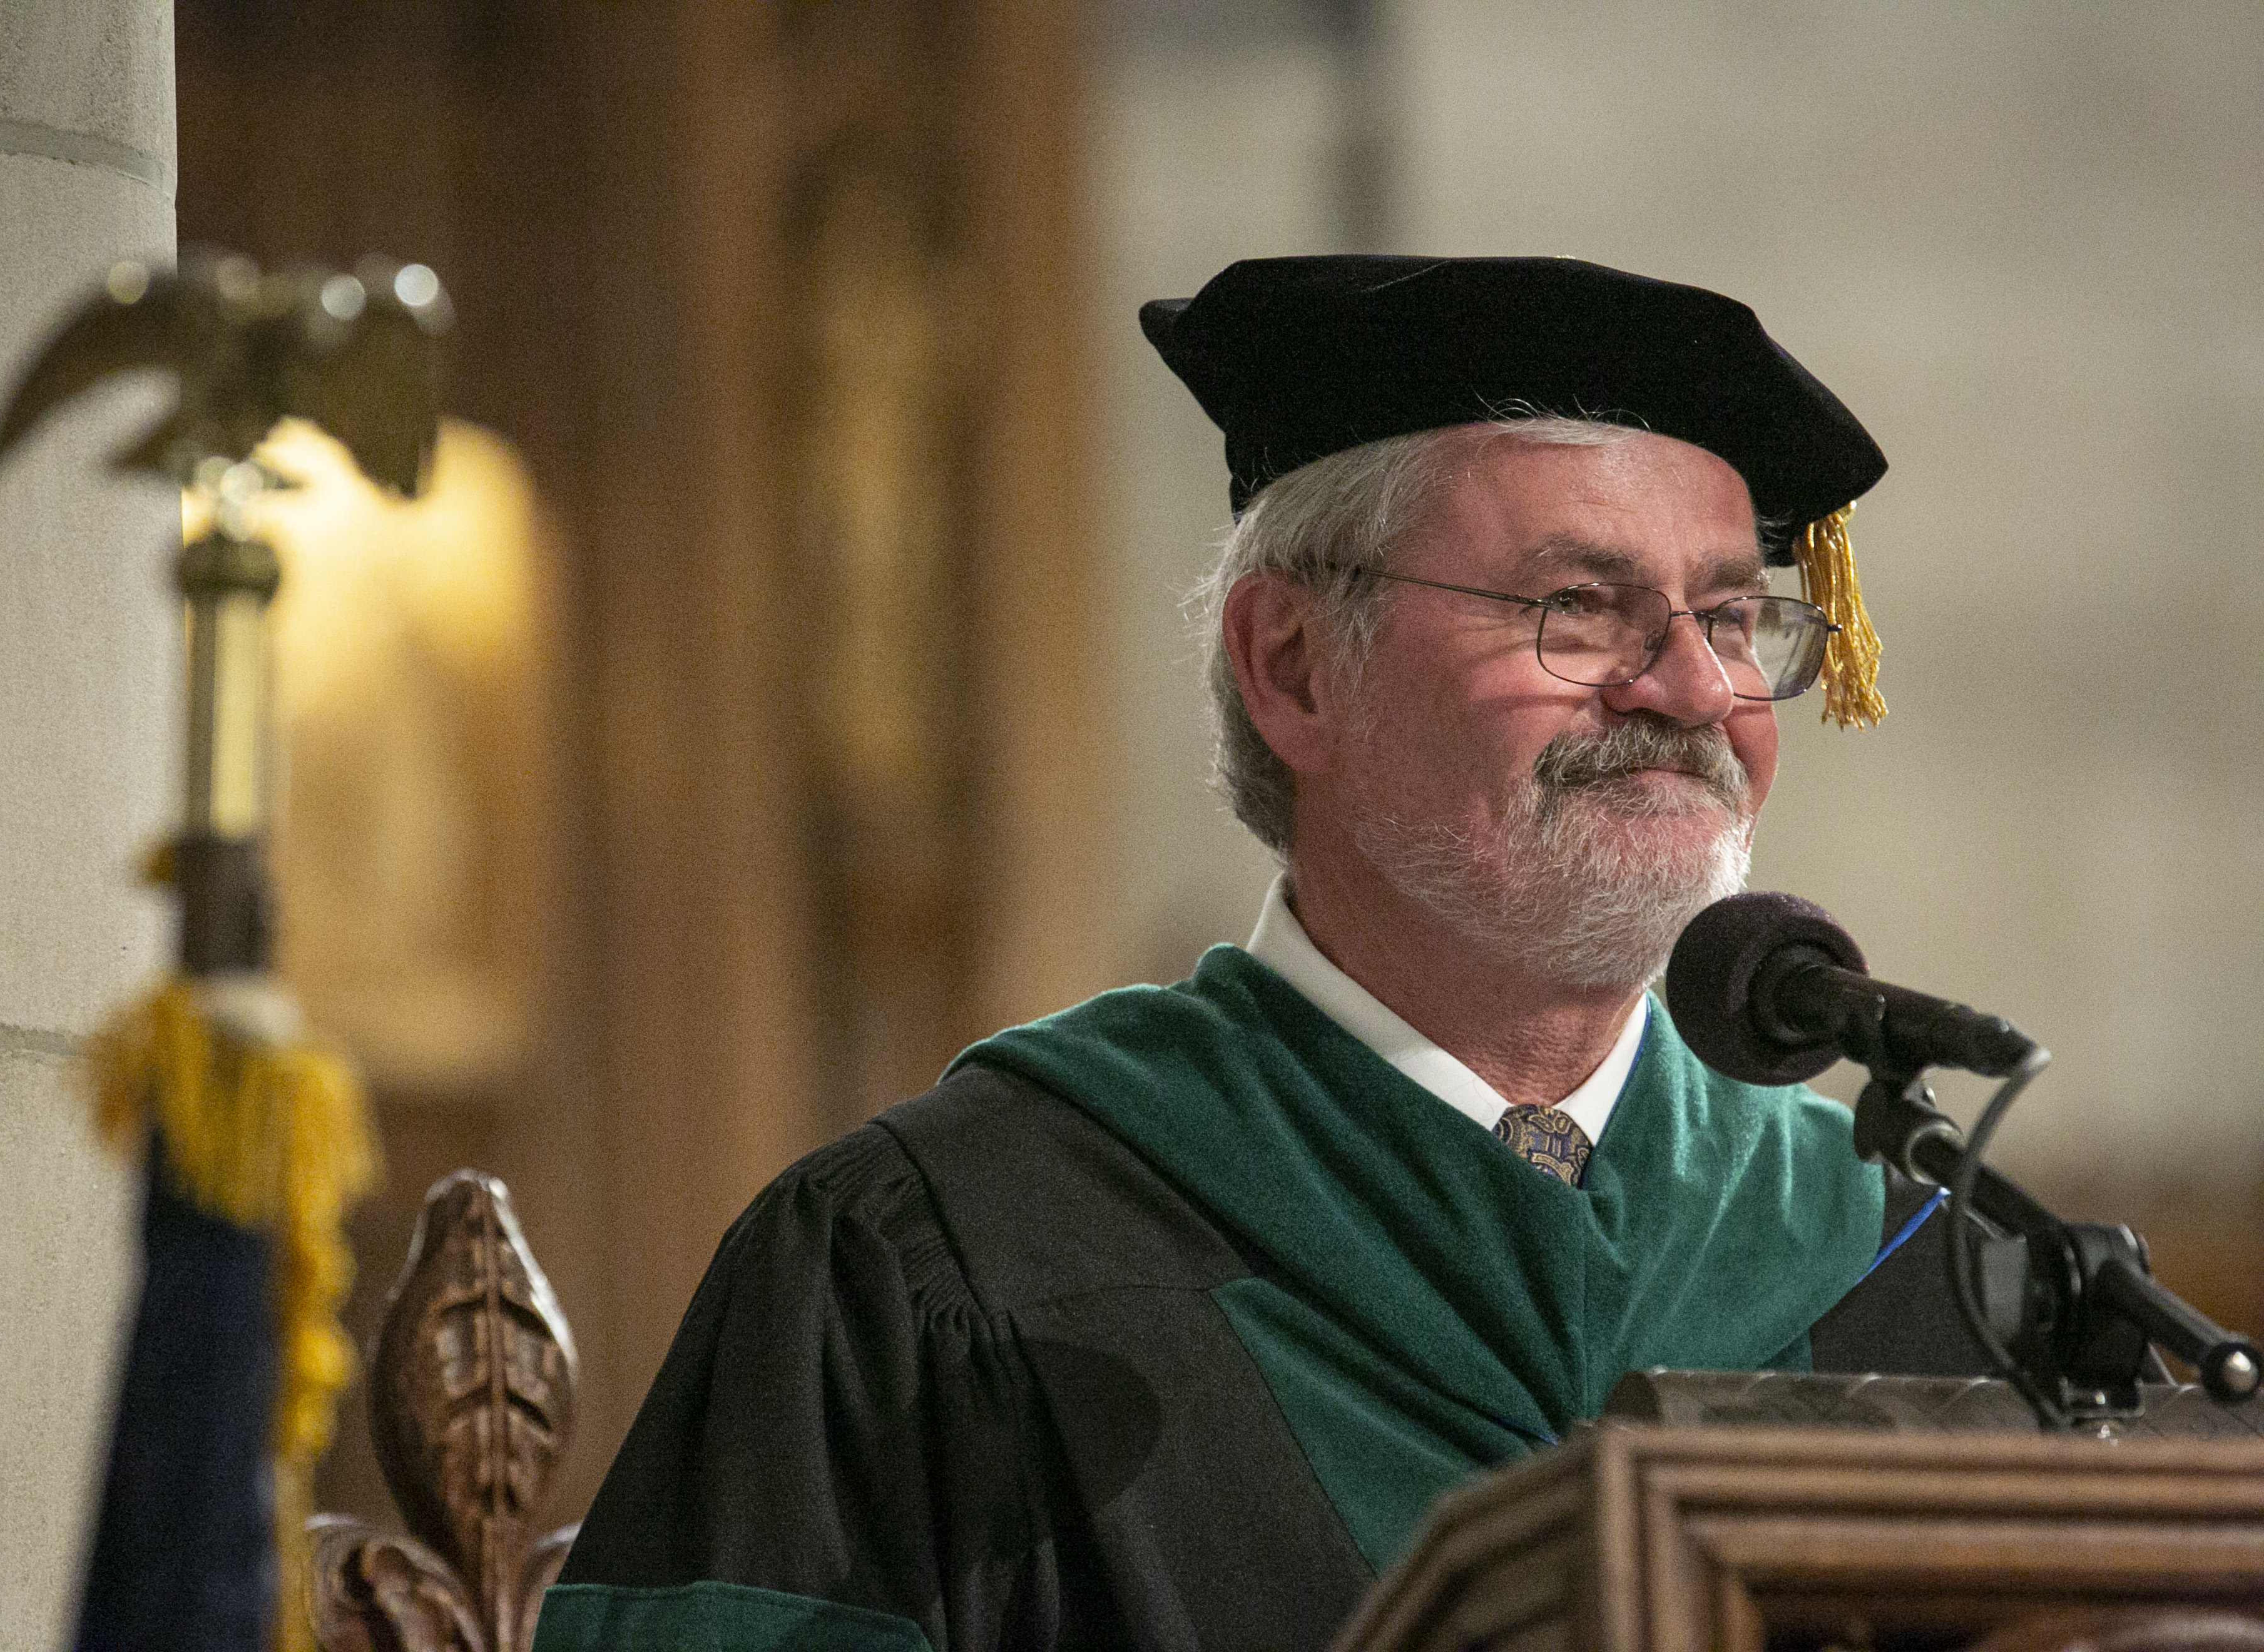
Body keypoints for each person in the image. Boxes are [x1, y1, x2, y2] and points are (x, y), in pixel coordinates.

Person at [538, 257, 1978, 1652]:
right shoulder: (935, 1261)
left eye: (1730, 618)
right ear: (1293, 665)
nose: (1696, 689)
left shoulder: (1911, 1264)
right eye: (1578, 608)